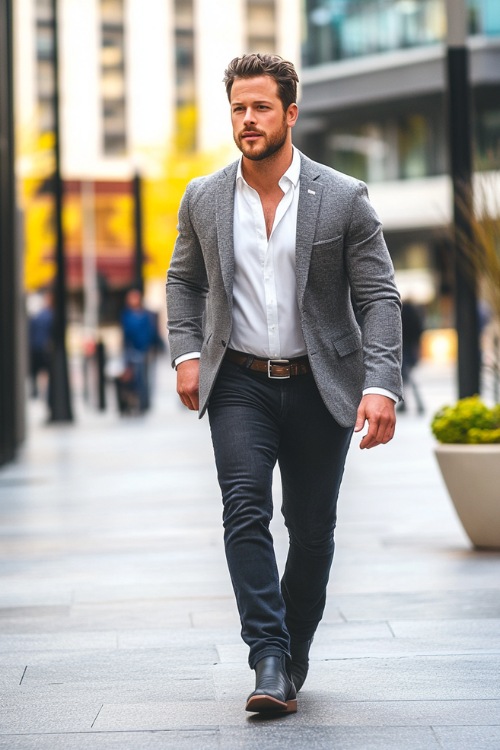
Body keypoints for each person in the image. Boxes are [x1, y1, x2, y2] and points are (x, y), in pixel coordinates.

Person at [166, 53, 402, 715]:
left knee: (312, 528)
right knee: (244, 508)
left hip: (320, 384)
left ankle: (292, 652)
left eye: (261, 106)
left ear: (290, 113)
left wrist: (380, 386)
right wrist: (186, 351)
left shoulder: (343, 197)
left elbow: (379, 297)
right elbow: (183, 281)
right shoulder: (204, 198)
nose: (248, 119)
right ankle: (267, 654)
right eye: (239, 107)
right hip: (238, 380)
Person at [120, 288, 159, 413]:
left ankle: (145, 402)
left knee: (147, 377)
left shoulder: (147, 314)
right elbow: (126, 336)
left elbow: (152, 332)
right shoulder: (126, 316)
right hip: (133, 351)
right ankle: (137, 402)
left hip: (147, 350)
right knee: (136, 378)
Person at [399, 298, 425, 414]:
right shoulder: (415, 315)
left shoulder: (402, 315)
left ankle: (412, 404)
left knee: (406, 377)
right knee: (408, 377)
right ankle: (414, 403)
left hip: (403, 349)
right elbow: (419, 332)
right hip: (410, 349)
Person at [28, 291, 54, 399]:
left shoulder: (35, 317)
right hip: (44, 347)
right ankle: (44, 392)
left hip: (35, 347)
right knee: (45, 371)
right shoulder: (49, 316)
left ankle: (36, 391)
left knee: (36, 371)